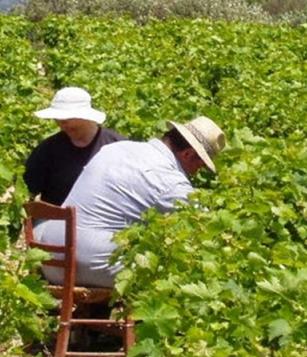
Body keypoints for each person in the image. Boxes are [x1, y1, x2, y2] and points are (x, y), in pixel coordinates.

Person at [36, 115, 226, 288]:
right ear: (188, 154)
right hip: (87, 266)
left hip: (49, 257)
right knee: (173, 263)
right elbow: (204, 226)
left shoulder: (114, 148)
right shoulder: (170, 182)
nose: (195, 173)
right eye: (198, 166)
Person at [24, 87, 125, 206]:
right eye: (58, 119)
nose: (61, 124)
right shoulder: (48, 149)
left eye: (67, 119)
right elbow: (28, 189)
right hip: (56, 222)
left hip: (108, 221)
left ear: (85, 117)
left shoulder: (118, 146)